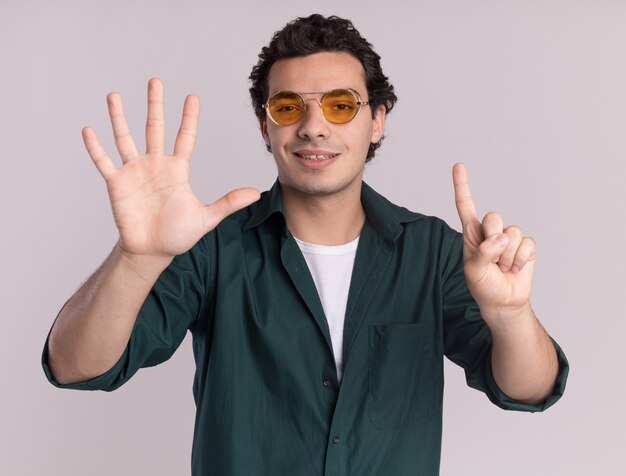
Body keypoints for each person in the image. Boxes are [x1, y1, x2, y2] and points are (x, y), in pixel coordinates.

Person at [42, 14, 568, 475]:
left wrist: (510, 313)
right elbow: (75, 366)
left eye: (341, 105)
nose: (313, 127)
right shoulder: (214, 249)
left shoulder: (431, 251)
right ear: (265, 126)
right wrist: (137, 259)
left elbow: (529, 389)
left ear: (377, 121)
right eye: (289, 107)